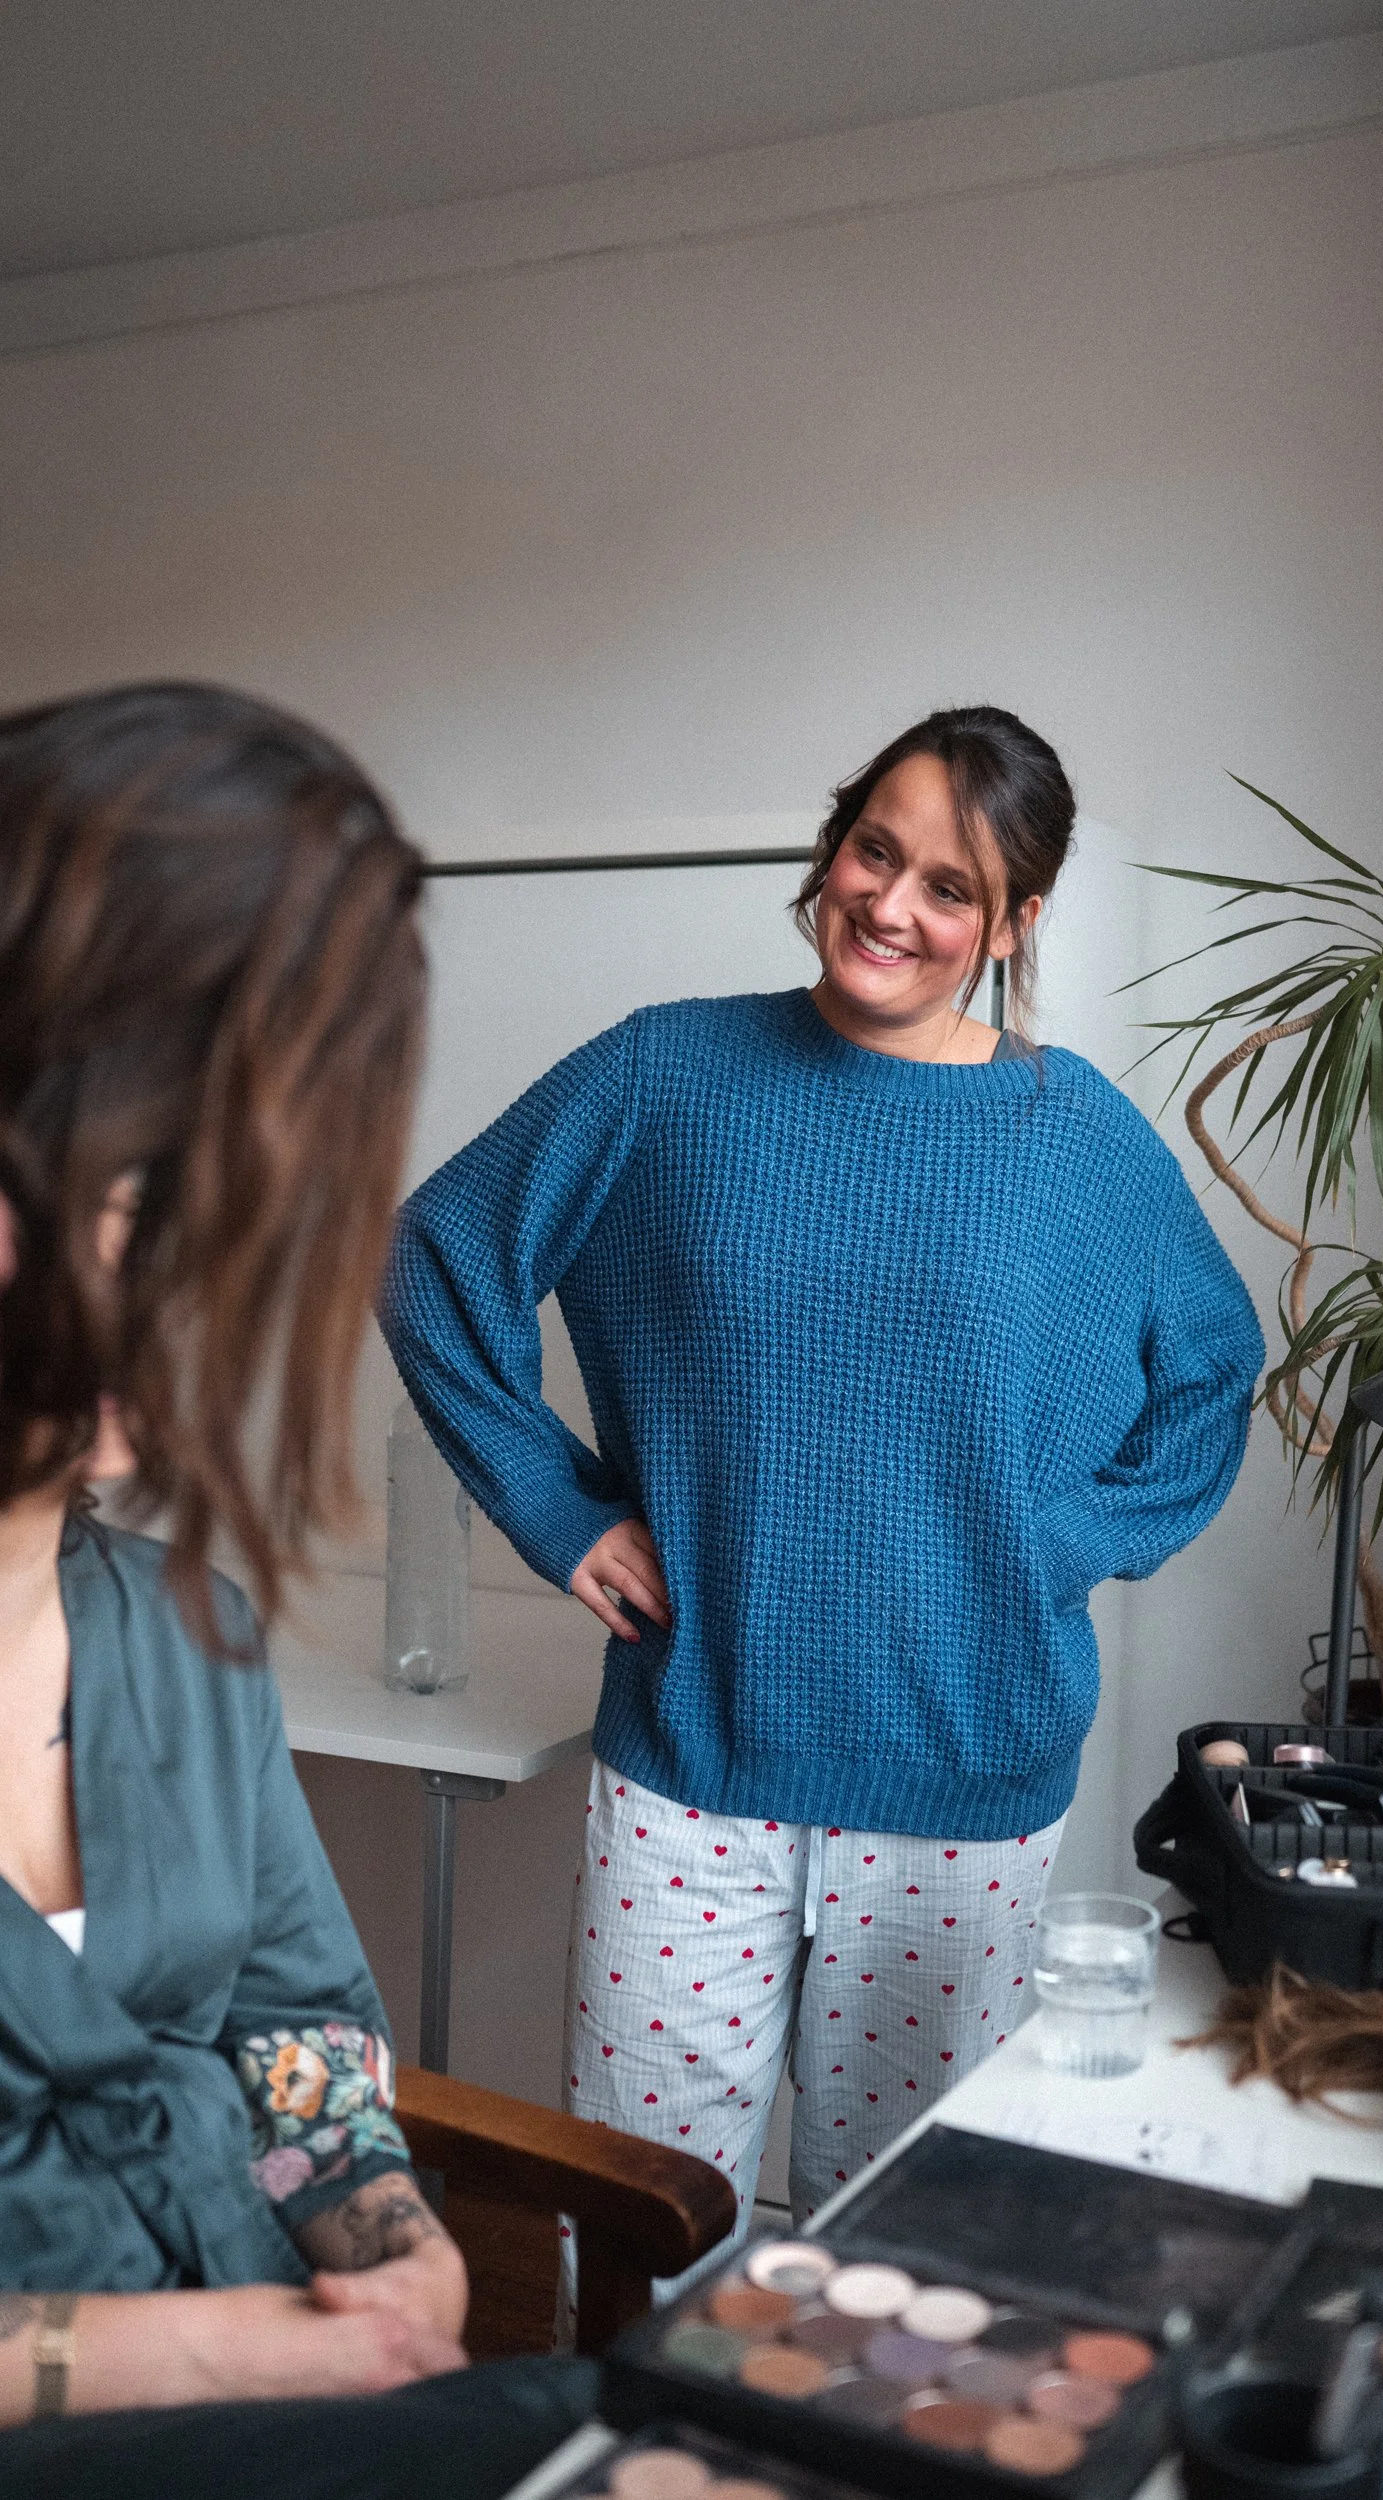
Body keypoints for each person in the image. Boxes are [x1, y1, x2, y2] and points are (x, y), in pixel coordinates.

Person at [384, 704, 1263, 2259]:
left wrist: (1054, 1539)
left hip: (961, 1777)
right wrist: (558, 1506)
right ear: (835, 838)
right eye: (875, 849)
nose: (891, 906)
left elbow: (1208, 1372)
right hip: (695, 1760)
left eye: (949, 887)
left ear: (1014, 923)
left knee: (899, 2241)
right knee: (644, 2221)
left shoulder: (1079, 1140)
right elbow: (438, 1259)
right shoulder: (667, 1072)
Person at [0, 684, 592, 2497]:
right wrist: (186, 2351)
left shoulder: (180, 1625)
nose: (161, 1293)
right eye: (116, 1210)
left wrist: (376, 2217)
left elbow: (293, 2016)